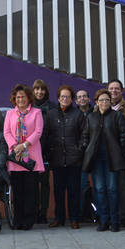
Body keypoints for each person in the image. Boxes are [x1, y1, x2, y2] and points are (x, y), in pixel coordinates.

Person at [82, 88, 125, 232]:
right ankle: (103, 220)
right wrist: (84, 148)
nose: (104, 102)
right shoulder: (91, 117)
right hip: (96, 160)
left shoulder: (117, 116)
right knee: (99, 189)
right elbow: (85, 136)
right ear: (96, 102)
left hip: (112, 159)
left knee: (112, 189)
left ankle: (115, 221)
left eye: (107, 100)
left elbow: (123, 136)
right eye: (101, 100)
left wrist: (122, 152)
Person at [3, 84, 44, 230]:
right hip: (16, 157)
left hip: (30, 157)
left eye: (23, 97)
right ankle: (18, 219)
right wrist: (15, 146)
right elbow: (6, 132)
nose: (20, 99)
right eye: (18, 97)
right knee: (17, 191)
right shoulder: (9, 114)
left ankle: (28, 220)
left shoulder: (37, 112)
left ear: (28, 98)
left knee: (30, 191)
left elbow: (38, 132)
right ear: (14, 98)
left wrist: (24, 145)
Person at [44, 85, 85, 229]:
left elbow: (84, 136)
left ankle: (74, 219)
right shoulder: (51, 114)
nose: (65, 99)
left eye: (67, 97)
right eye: (62, 97)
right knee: (58, 191)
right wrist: (49, 153)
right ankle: (59, 218)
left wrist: (79, 151)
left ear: (72, 99)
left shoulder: (78, 114)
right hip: (57, 159)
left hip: (74, 160)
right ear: (58, 98)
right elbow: (46, 135)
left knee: (74, 190)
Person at [107, 79, 125, 228]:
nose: (114, 91)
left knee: (123, 186)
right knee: (109, 186)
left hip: (122, 152)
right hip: (106, 154)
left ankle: (124, 217)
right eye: (111, 88)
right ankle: (110, 216)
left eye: (117, 88)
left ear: (122, 91)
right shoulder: (100, 106)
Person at [32, 79, 54, 224]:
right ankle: (32, 212)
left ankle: (43, 213)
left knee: (44, 184)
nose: (39, 92)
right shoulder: (28, 106)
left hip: (46, 151)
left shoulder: (52, 108)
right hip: (31, 151)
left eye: (42, 89)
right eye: (36, 89)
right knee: (31, 184)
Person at [75, 89, 93, 221]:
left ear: (89, 99)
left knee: (100, 186)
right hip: (80, 155)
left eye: (84, 96)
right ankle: (81, 215)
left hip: (96, 153)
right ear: (76, 101)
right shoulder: (74, 114)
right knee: (82, 186)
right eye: (79, 97)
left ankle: (99, 214)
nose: (82, 99)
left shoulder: (96, 112)